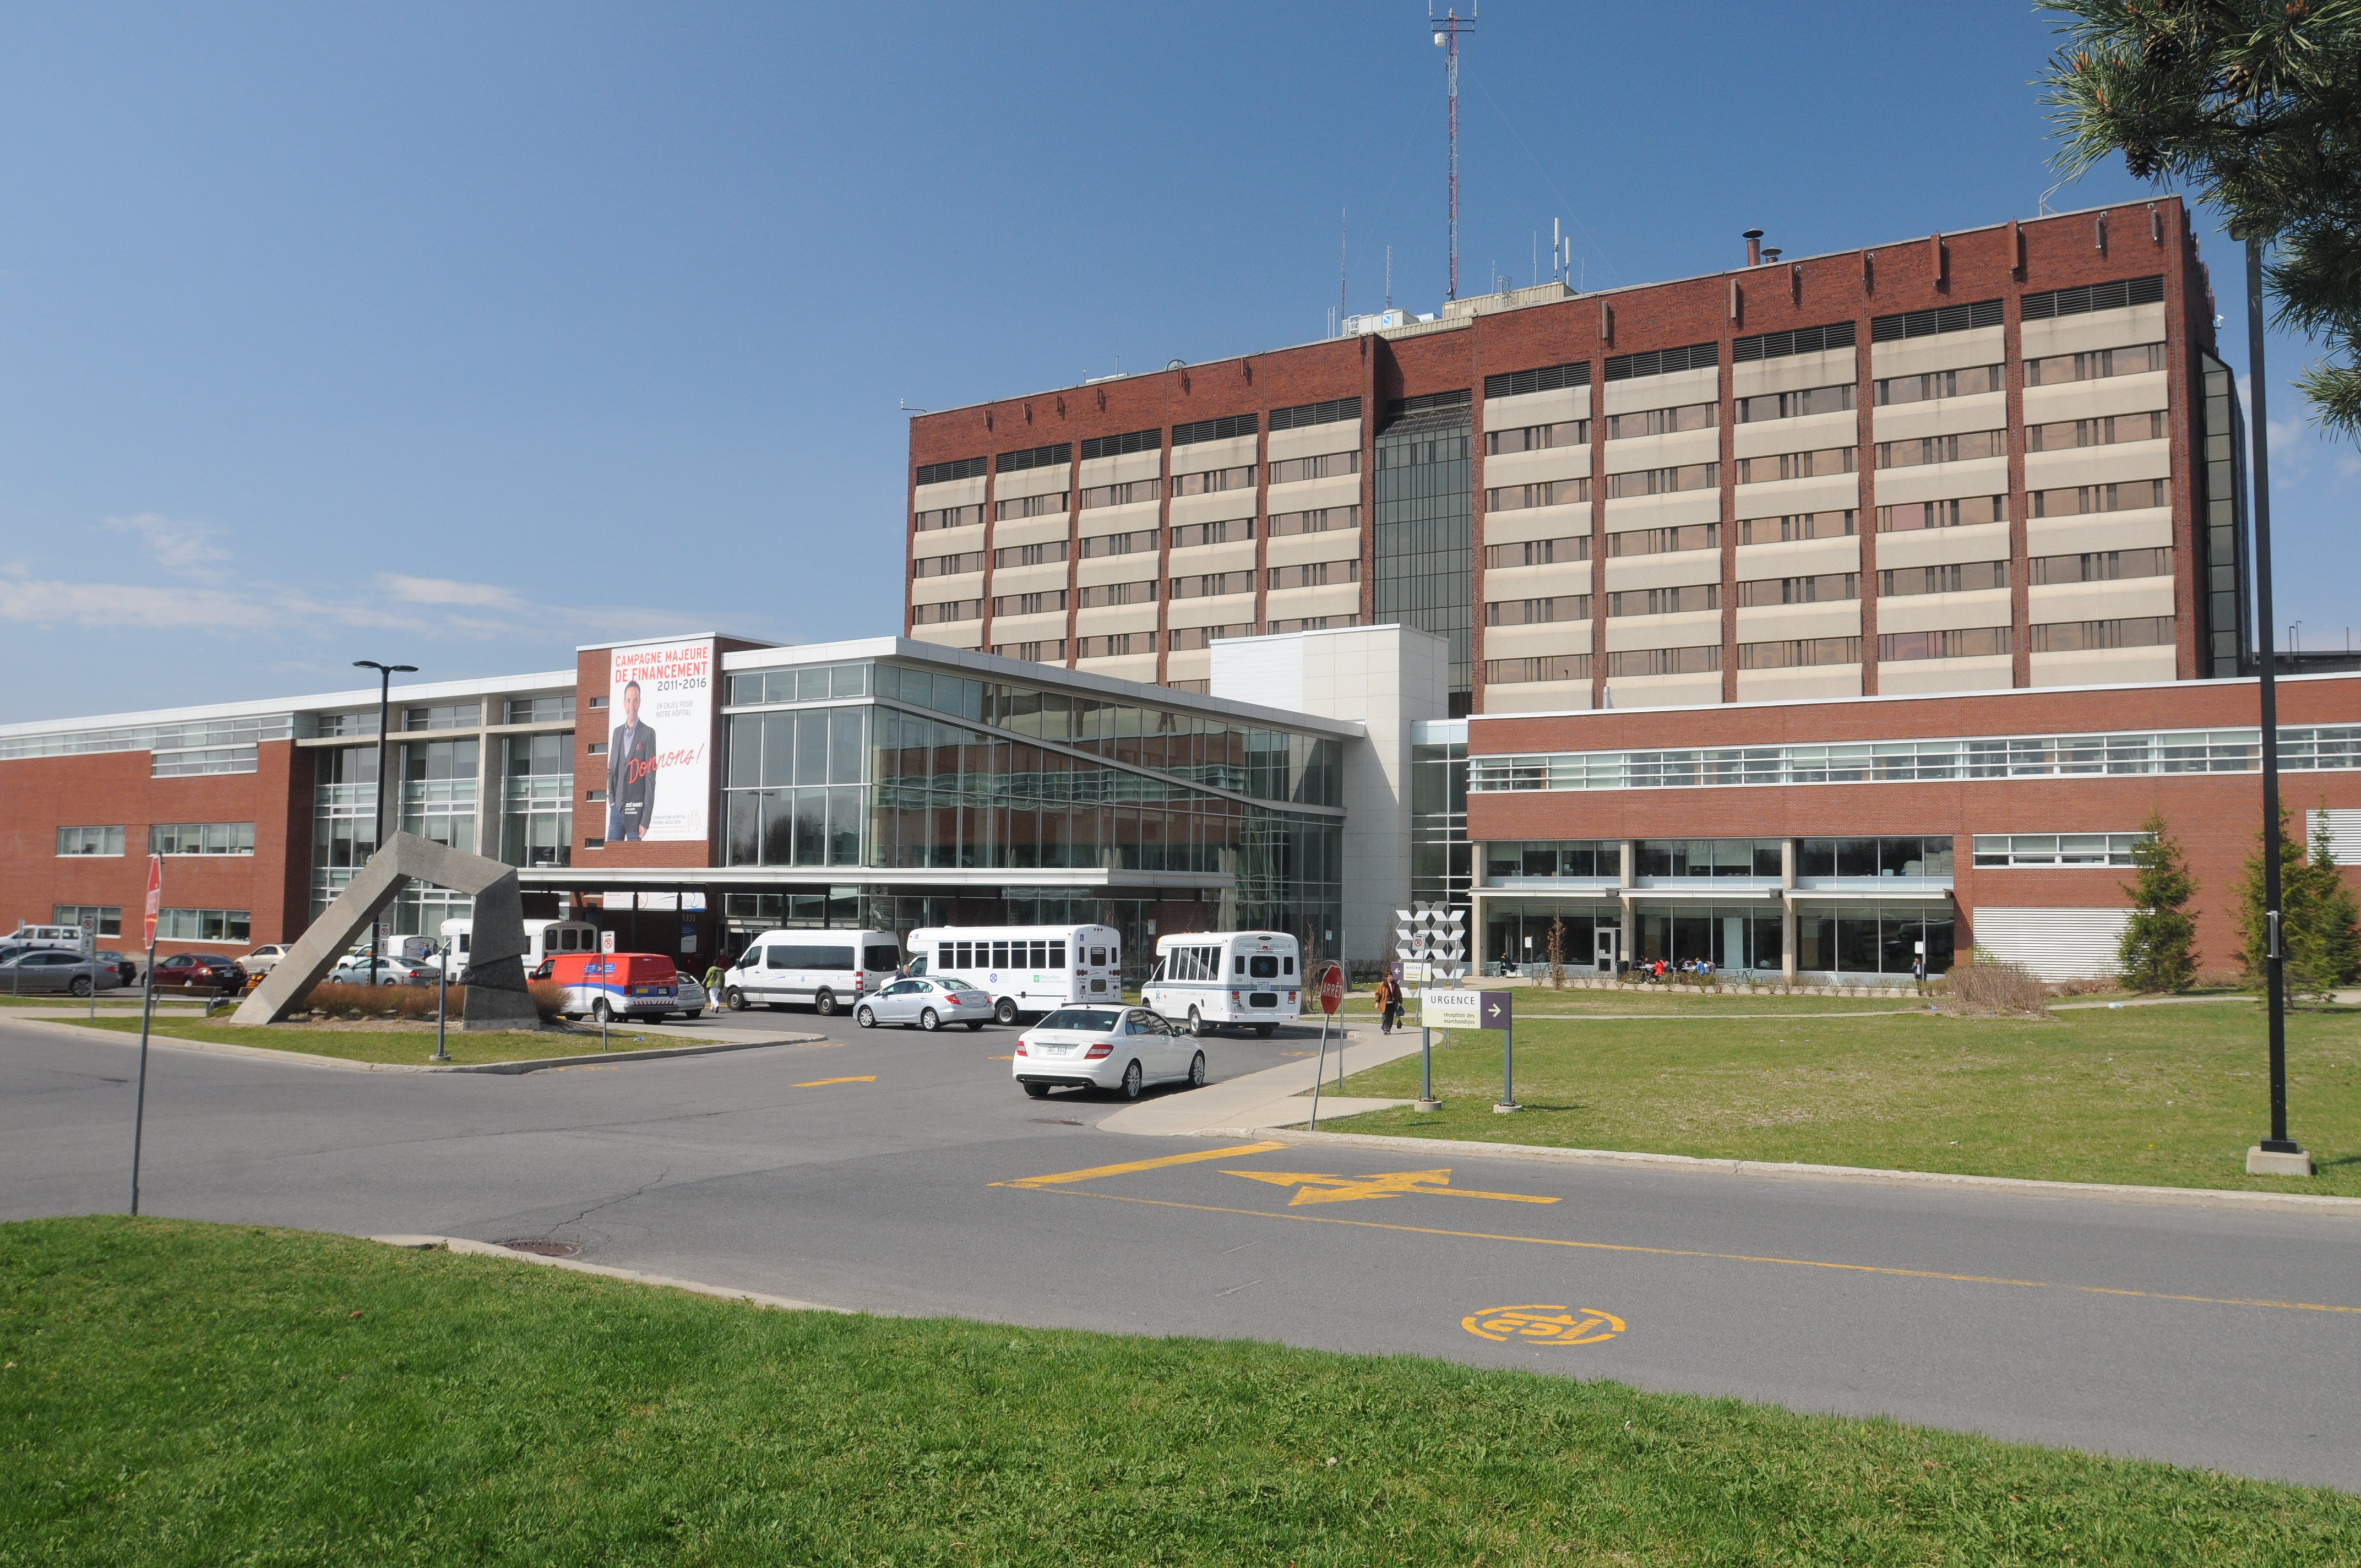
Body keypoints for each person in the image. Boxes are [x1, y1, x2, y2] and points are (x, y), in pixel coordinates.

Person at [606, 678, 659, 841]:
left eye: (635, 700)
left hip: (636, 813)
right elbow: (612, 770)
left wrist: (646, 819)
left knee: (634, 862)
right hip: (617, 810)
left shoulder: (648, 734)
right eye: (629, 700)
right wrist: (612, 801)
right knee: (611, 861)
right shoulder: (616, 733)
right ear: (624, 703)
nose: (632, 705)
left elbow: (650, 780)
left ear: (640, 703)